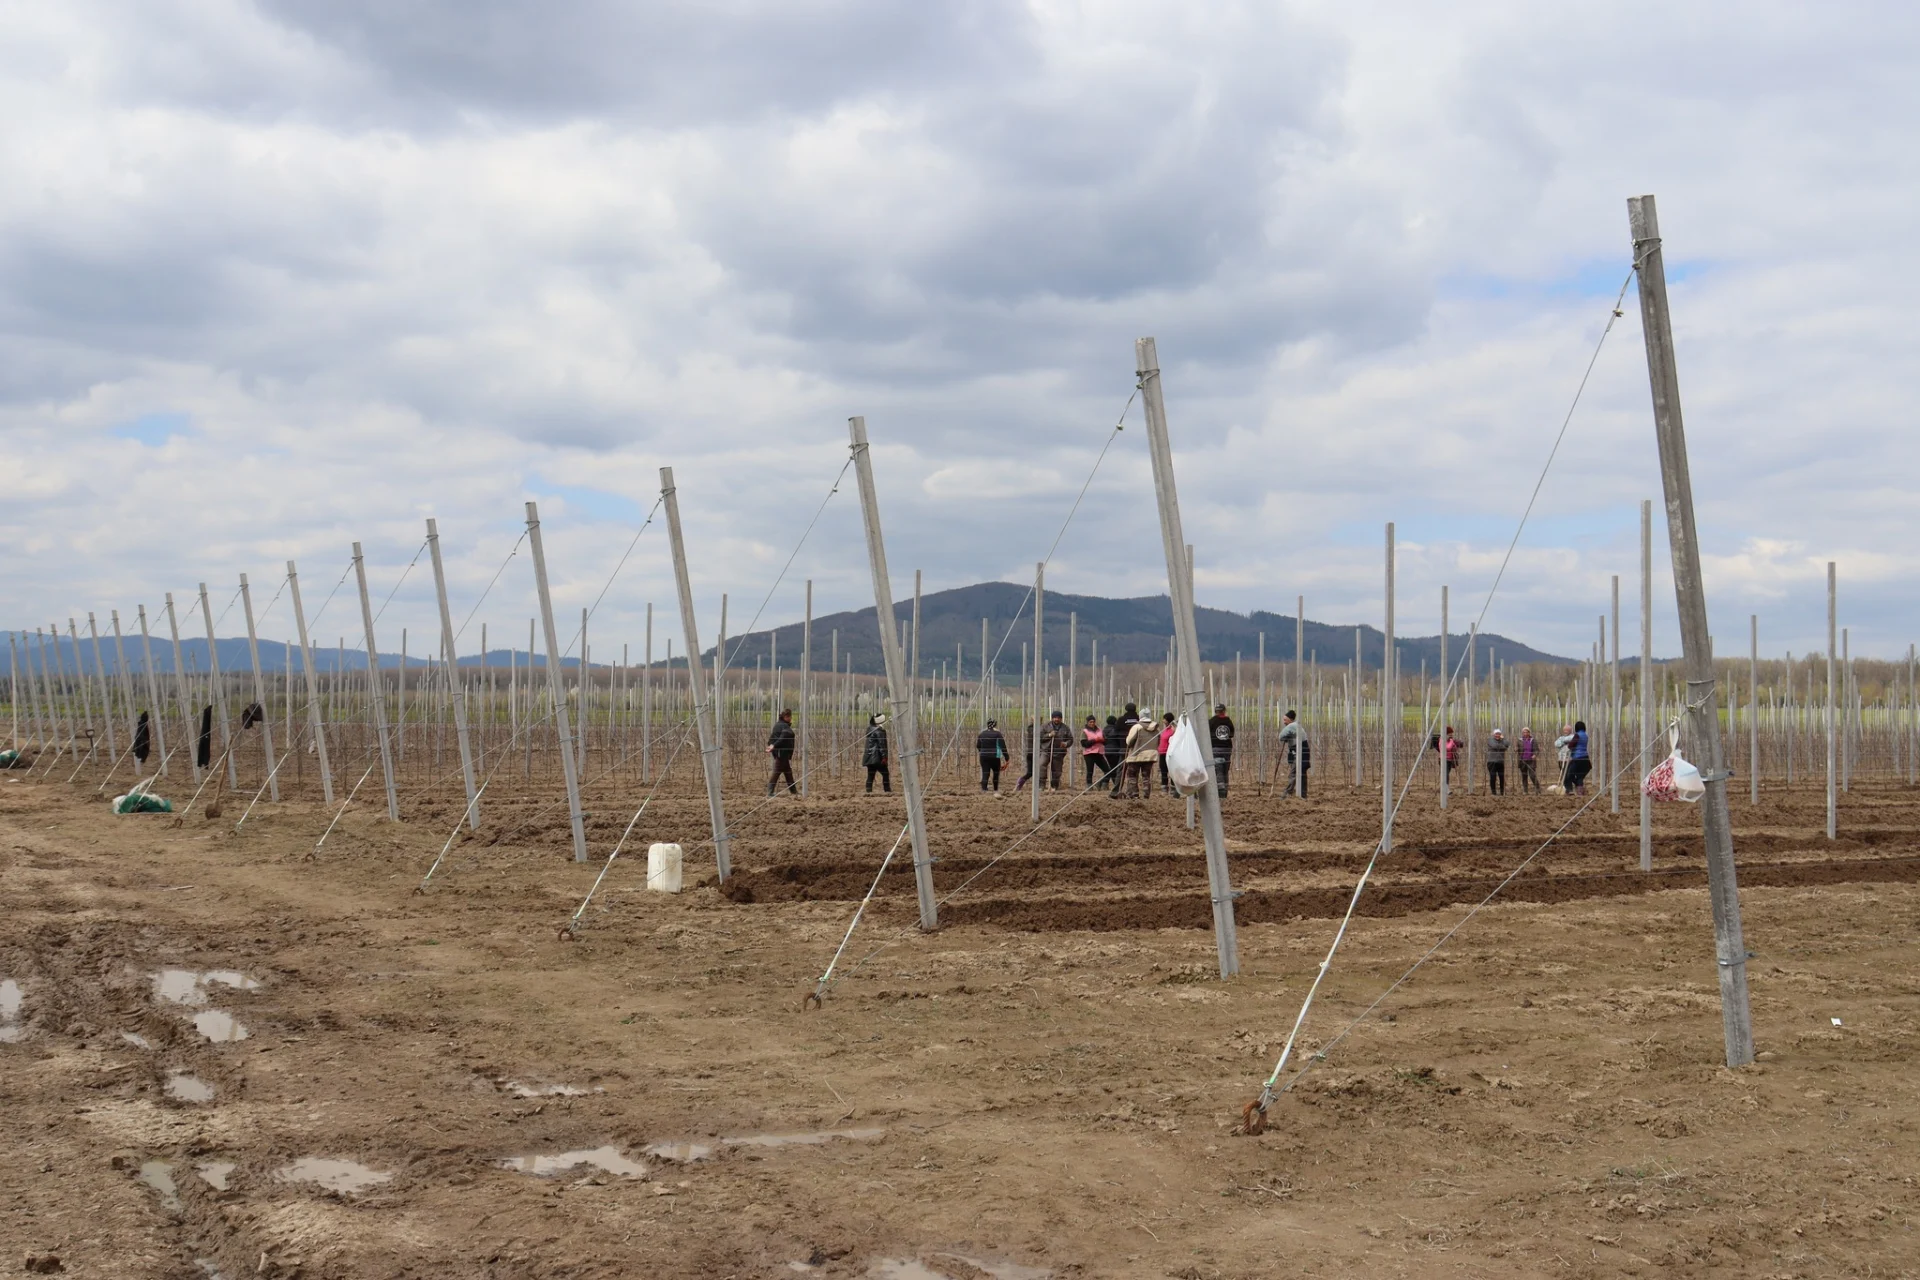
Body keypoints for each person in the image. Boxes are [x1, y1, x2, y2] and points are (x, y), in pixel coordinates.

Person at [1116, 711, 1160, 799]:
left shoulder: (1137, 727)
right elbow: (1158, 742)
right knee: (1146, 776)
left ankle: (1134, 794)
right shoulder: (1156, 728)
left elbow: (1129, 741)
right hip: (1150, 755)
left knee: (1132, 775)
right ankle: (1146, 795)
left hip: (1136, 755)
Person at [765, 709, 797, 796]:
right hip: (782, 753)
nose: (791, 718)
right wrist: (774, 746)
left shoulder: (778, 725)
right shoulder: (784, 726)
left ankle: (794, 791)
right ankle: (770, 792)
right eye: (790, 717)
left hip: (781, 753)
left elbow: (772, 738)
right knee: (777, 771)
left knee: (788, 772)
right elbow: (783, 738)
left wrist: (772, 745)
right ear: (786, 717)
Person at [1278, 710, 1310, 797]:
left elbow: (1280, 736)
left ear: (1290, 719)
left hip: (1300, 753)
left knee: (1293, 774)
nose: (1284, 722)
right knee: (1302, 775)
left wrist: (1285, 737)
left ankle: (1287, 794)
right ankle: (1303, 795)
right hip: (1305, 752)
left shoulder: (1292, 726)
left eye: (1285, 720)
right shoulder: (1297, 726)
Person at [1110, 703, 1141, 795]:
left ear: (1126, 709)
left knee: (1121, 771)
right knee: (1134, 771)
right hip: (1137, 749)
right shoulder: (1139, 719)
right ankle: (1132, 792)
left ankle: (1115, 791)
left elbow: (1114, 734)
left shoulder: (1121, 720)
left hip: (1124, 749)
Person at [1207, 703, 1235, 798]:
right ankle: (1225, 790)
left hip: (1215, 748)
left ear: (1215, 711)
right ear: (1224, 711)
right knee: (1225, 770)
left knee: (1218, 768)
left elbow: (1206, 734)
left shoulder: (1211, 721)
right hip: (1227, 748)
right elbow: (1231, 734)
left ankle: (1220, 789)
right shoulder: (1228, 721)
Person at [1556, 720, 1592, 794]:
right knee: (1580, 776)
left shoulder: (1577, 735)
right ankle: (1580, 792)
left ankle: (1570, 790)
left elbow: (1570, 745)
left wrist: (1567, 744)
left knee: (1569, 774)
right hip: (1585, 759)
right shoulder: (1585, 735)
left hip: (1577, 758)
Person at [976, 718, 1008, 792]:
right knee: (996, 773)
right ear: (995, 725)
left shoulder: (982, 734)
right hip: (995, 757)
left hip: (984, 757)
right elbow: (1003, 746)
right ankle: (995, 789)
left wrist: (982, 751)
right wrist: (1007, 758)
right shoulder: (998, 734)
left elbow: (978, 745)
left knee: (985, 773)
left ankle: (984, 789)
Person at [862, 714, 891, 793]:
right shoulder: (879, 731)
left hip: (869, 757)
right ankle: (887, 790)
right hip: (877, 757)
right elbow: (882, 745)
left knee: (870, 775)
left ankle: (868, 792)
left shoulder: (870, 730)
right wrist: (884, 757)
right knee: (885, 773)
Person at [1079, 715, 1106, 787]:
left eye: (1093, 722)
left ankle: (1100, 783)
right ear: (1087, 722)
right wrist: (1094, 740)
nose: (1092, 723)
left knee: (1107, 770)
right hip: (1089, 754)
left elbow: (1105, 740)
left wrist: (1103, 740)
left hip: (1099, 752)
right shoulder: (1085, 731)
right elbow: (1084, 744)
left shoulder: (1100, 730)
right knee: (1090, 771)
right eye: (1090, 722)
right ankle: (1089, 786)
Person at [1157, 711, 1176, 793]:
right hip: (1162, 753)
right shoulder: (1165, 730)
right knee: (1163, 770)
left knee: (1171, 770)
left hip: (1169, 754)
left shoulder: (1173, 730)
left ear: (1168, 720)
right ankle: (1164, 787)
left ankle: (1173, 787)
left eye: (1164, 719)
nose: (1163, 721)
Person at [1516, 727, 1540, 792]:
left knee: (1532, 775)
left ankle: (1538, 789)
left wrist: (1535, 755)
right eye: (1524, 732)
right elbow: (1517, 748)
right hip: (1522, 760)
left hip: (1531, 760)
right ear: (1522, 733)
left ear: (1529, 733)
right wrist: (1516, 749)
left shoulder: (1533, 740)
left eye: (1527, 732)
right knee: (1524, 776)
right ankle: (1525, 791)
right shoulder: (1519, 740)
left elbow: (1537, 750)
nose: (1525, 733)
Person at [1486, 728, 1508, 795]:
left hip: (1500, 762)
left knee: (1501, 777)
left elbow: (1507, 744)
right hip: (1491, 762)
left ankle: (1502, 792)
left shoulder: (1502, 740)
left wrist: (1503, 740)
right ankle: (1494, 792)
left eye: (1499, 734)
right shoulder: (1490, 740)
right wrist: (1502, 746)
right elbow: (1495, 745)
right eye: (1496, 734)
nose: (1497, 735)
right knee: (1493, 777)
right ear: (1493, 734)